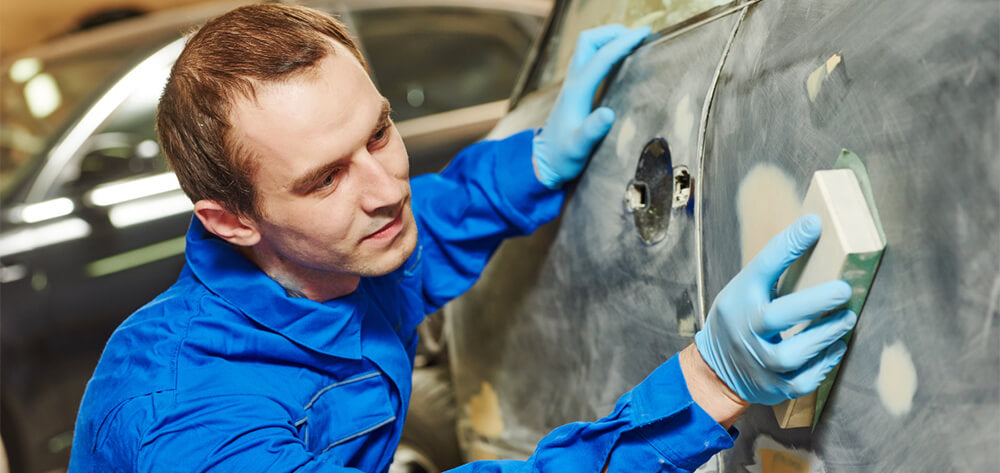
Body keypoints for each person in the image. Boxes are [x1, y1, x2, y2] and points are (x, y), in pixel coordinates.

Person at [69, 4, 857, 472]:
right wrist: (700, 388)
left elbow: (433, 225)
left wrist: (541, 161)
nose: (386, 191)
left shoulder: (325, 254)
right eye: (323, 179)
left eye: (378, 133)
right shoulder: (202, 422)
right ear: (232, 220)